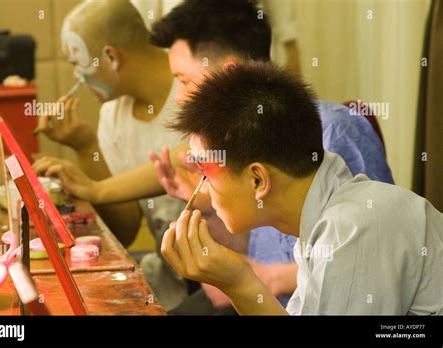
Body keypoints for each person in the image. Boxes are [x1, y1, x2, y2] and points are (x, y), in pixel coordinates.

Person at [35, 0, 394, 314]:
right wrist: (211, 208)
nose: (179, 97)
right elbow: (265, 246)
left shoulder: (336, 133)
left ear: (230, 73)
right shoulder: (246, 144)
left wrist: (261, 279)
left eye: (185, 80)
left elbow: (371, 264)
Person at [161, 61, 443, 315]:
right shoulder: (318, 223)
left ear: (257, 180)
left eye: (204, 172)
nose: (202, 190)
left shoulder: (353, 228)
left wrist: (239, 282)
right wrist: (239, 282)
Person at [33, 0, 188, 311]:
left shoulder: (192, 88)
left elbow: (190, 158)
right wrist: (86, 148)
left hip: (220, 286)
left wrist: (94, 188)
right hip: (168, 286)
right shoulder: (113, 115)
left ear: (110, 56)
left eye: (77, 62)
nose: (77, 77)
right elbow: (126, 232)